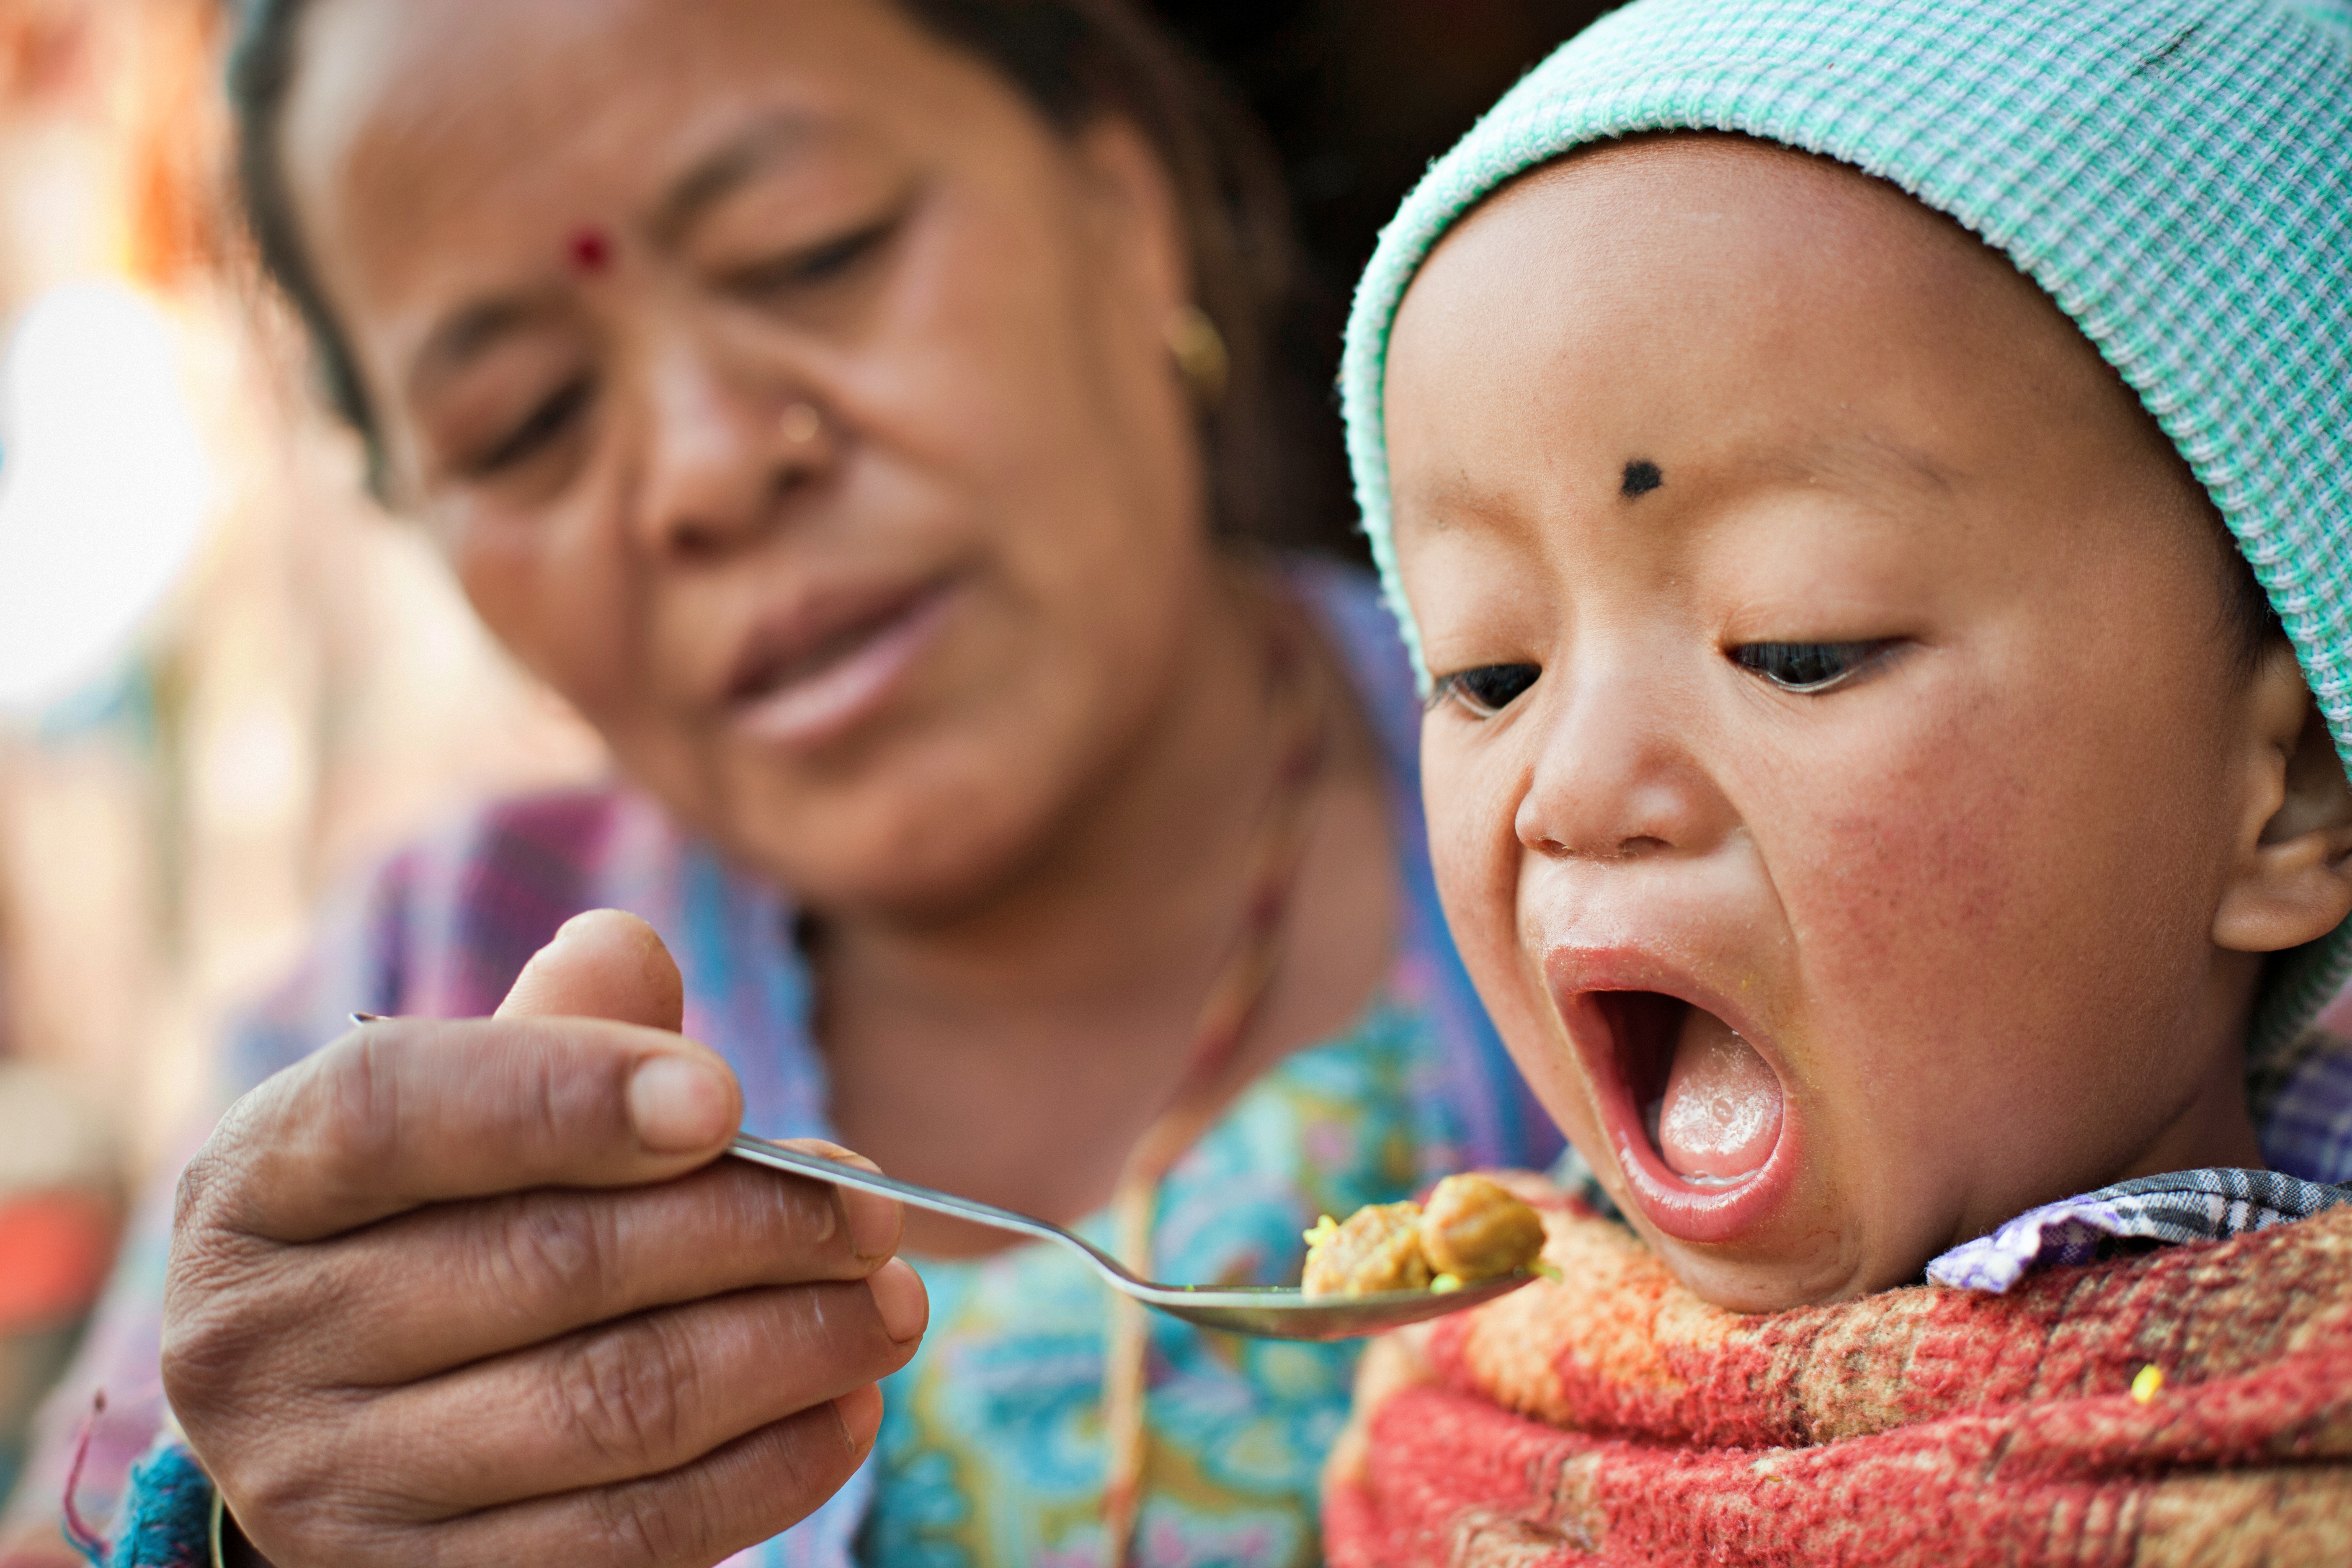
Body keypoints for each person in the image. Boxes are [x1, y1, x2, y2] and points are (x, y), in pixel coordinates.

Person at [0, 1, 1561, 1565]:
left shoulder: (1628, 798)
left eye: (813, 251)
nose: (705, 466)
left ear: (1125, 204)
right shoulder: (409, 1020)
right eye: (527, 423)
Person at [1315, 0, 2352, 1559]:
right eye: (1486, 675)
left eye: (1801, 646)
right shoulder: (1460, 1409)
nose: (1578, 787)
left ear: (2288, 793)